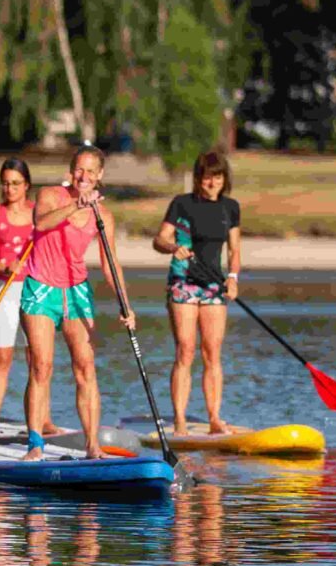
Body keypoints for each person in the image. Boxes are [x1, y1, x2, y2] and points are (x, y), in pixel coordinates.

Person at [20, 145, 136, 461]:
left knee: (85, 367)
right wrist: (75, 205)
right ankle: (35, 444)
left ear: (100, 175)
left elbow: (110, 263)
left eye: (90, 171)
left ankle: (92, 447)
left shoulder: (103, 216)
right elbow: (41, 224)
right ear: (71, 171)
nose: (83, 176)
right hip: (41, 289)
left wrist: (125, 305)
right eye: (79, 169)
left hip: (76, 293)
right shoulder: (50, 195)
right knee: (41, 365)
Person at [152, 150, 241, 435]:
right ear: (198, 178)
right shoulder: (182, 204)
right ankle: (179, 420)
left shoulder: (230, 207)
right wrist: (172, 247)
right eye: (207, 177)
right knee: (185, 349)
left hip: (214, 285)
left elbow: (234, 250)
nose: (212, 183)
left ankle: (214, 418)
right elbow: (160, 239)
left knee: (212, 352)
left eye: (217, 177)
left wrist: (233, 278)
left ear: (224, 179)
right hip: (184, 282)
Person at [0, 158, 59, 437]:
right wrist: (5, 266)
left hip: (36, 290)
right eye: (5, 183)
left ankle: (43, 420)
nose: (9, 189)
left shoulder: (40, 213)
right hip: (5, 290)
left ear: (27, 185)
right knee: (2, 358)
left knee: (38, 360)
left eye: (15, 183)